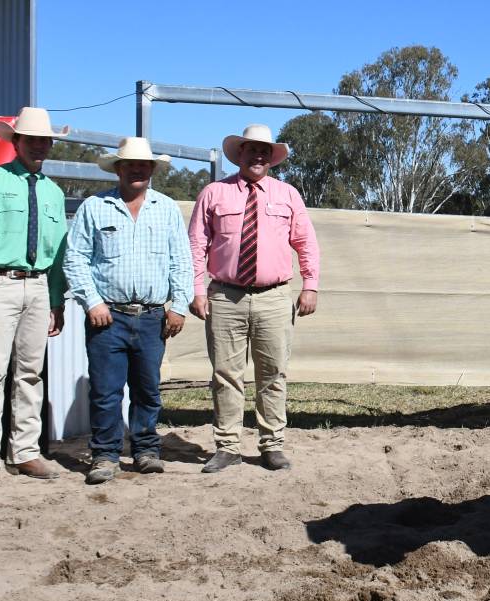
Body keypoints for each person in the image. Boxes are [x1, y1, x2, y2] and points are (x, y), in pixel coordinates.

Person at [188, 124, 319, 473]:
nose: (258, 156)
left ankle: (272, 445)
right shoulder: (214, 193)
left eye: (265, 151)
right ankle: (227, 446)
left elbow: (306, 243)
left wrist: (310, 285)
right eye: (252, 150)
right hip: (225, 296)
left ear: (271, 158)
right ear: (240, 154)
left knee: (273, 373)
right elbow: (196, 245)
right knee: (225, 374)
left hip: (274, 298)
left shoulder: (288, 195)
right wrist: (198, 290)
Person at [64, 137, 193, 484]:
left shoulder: (166, 209)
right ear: (118, 169)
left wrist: (178, 306)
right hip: (108, 316)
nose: (137, 169)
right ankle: (105, 455)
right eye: (130, 164)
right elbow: (75, 258)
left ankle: (146, 449)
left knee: (147, 389)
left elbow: (182, 261)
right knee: (106, 391)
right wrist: (92, 302)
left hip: (153, 316)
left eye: (143, 164)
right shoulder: (94, 207)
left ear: (151, 169)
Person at [0, 107, 68, 490]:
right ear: (16, 142)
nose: (39, 145)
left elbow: (57, 254)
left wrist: (56, 300)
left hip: (38, 287)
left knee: (30, 373)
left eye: (45, 140)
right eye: (32, 139)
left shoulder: (53, 192)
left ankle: (25, 452)